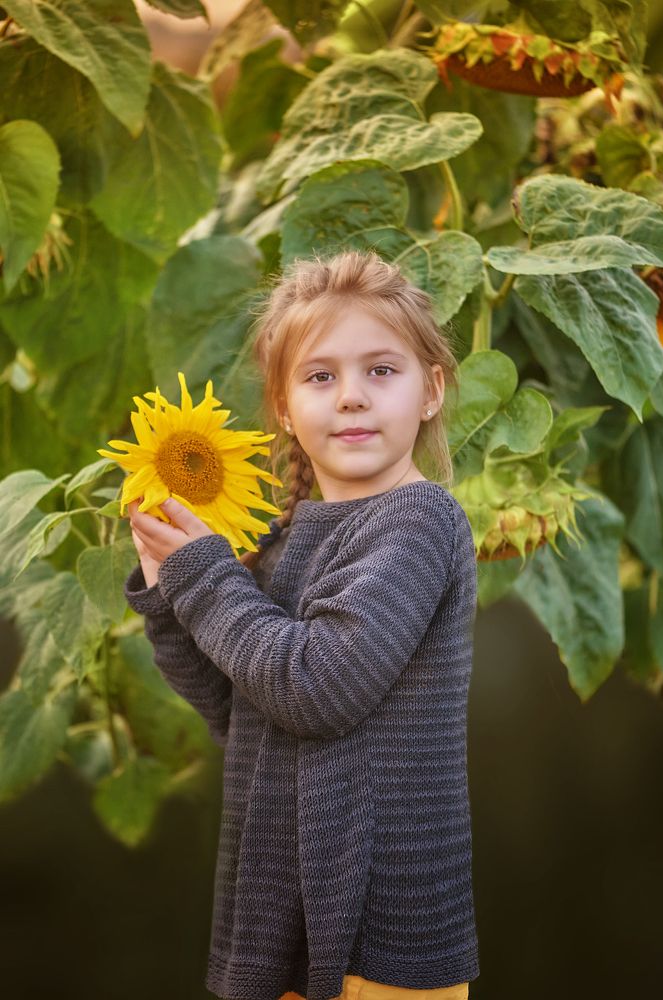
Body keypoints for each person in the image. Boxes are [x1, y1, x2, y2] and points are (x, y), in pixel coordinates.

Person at [124, 249, 480, 1000]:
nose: (350, 397)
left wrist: (203, 576)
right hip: (278, 920)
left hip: (381, 938)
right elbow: (242, 713)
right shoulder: (288, 535)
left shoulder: (419, 521)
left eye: (380, 370)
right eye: (320, 376)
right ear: (285, 408)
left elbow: (314, 689)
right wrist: (168, 592)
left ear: (430, 391)